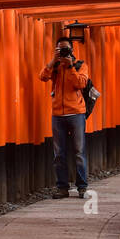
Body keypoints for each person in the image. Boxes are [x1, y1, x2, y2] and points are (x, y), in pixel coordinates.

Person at [39, 36, 90, 198]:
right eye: (59, 49)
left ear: (72, 50)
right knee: (59, 153)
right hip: (58, 115)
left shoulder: (80, 65)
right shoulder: (55, 67)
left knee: (79, 152)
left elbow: (81, 84)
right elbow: (42, 77)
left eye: (65, 49)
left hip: (76, 113)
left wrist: (70, 67)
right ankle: (62, 187)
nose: (63, 51)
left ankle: (82, 187)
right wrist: (53, 61)